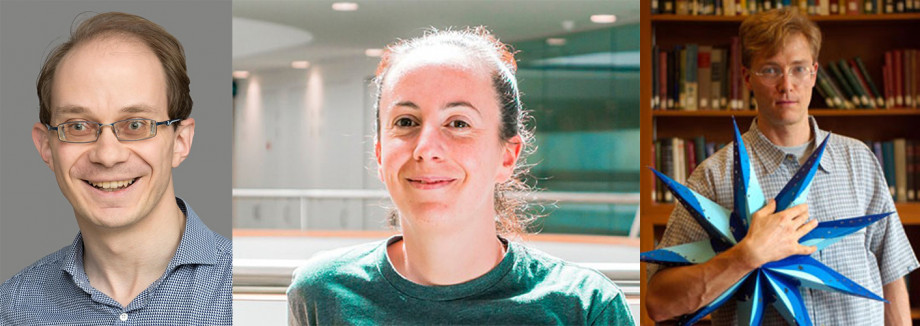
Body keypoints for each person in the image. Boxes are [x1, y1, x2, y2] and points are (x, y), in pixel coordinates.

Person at [286, 27, 634, 325]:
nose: (426, 148)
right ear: (379, 154)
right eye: (406, 122)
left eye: (458, 124)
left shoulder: (584, 307)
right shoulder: (323, 293)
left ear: (507, 156)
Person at [645, 8, 918, 325]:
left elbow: (892, 274)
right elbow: (659, 302)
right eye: (771, 70)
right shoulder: (713, 177)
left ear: (814, 74)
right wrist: (746, 256)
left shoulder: (859, 160)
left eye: (798, 69)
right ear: (747, 77)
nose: (787, 85)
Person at [0, 12, 232, 325]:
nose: (108, 155)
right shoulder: (13, 308)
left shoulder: (241, 293)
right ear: (46, 147)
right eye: (79, 126)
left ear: (180, 141)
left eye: (136, 124)